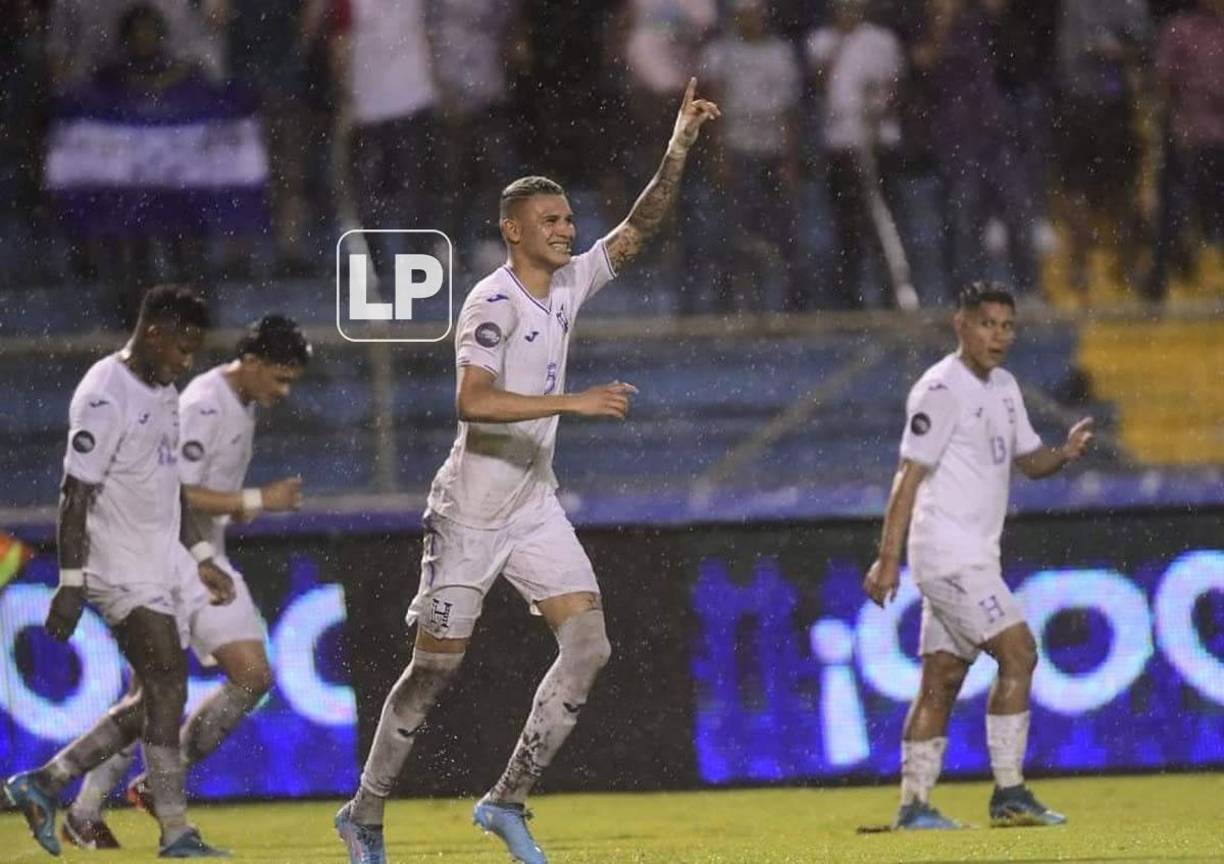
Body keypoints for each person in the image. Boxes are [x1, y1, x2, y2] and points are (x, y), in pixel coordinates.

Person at [334, 79, 719, 864]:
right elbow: (471, 402)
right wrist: (572, 403)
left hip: (532, 504)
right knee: (432, 674)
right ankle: (365, 811)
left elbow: (640, 228)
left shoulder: (571, 281)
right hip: (470, 512)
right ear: (513, 231)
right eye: (551, 220)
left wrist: (677, 145)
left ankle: (505, 801)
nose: (567, 230)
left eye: (570, 218)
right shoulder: (491, 302)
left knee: (589, 645)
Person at [60, 315, 313, 850]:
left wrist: (234, 512)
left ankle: (128, 792)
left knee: (237, 679)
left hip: (204, 552)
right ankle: (75, 799)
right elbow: (176, 492)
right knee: (163, 688)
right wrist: (255, 501)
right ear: (252, 362)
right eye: (280, 378)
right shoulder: (204, 403)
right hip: (172, 557)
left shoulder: (238, 402)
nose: (284, 392)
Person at [3, 285, 234, 858]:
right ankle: (176, 833)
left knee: (154, 697)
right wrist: (71, 582)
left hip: (159, 564)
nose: (187, 361)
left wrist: (200, 556)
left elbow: (170, 487)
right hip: (114, 565)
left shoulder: (165, 391)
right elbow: (72, 494)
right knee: (167, 686)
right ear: (153, 333)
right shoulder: (105, 394)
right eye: (182, 348)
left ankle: (47, 783)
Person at [863, 281, 1094, 830]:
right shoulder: (940, 390)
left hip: (974, 557)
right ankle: (1010, 794)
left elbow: (1030, 460)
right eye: (987, 323)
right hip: (947, 554)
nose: (998, 335)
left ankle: (914, 806)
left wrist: (1064, 453)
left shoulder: (1006, 387)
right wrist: (887, 559)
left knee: (941, 678)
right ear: (960, 325)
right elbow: (907, 477)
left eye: (1007, 326)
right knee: (1019, 653)